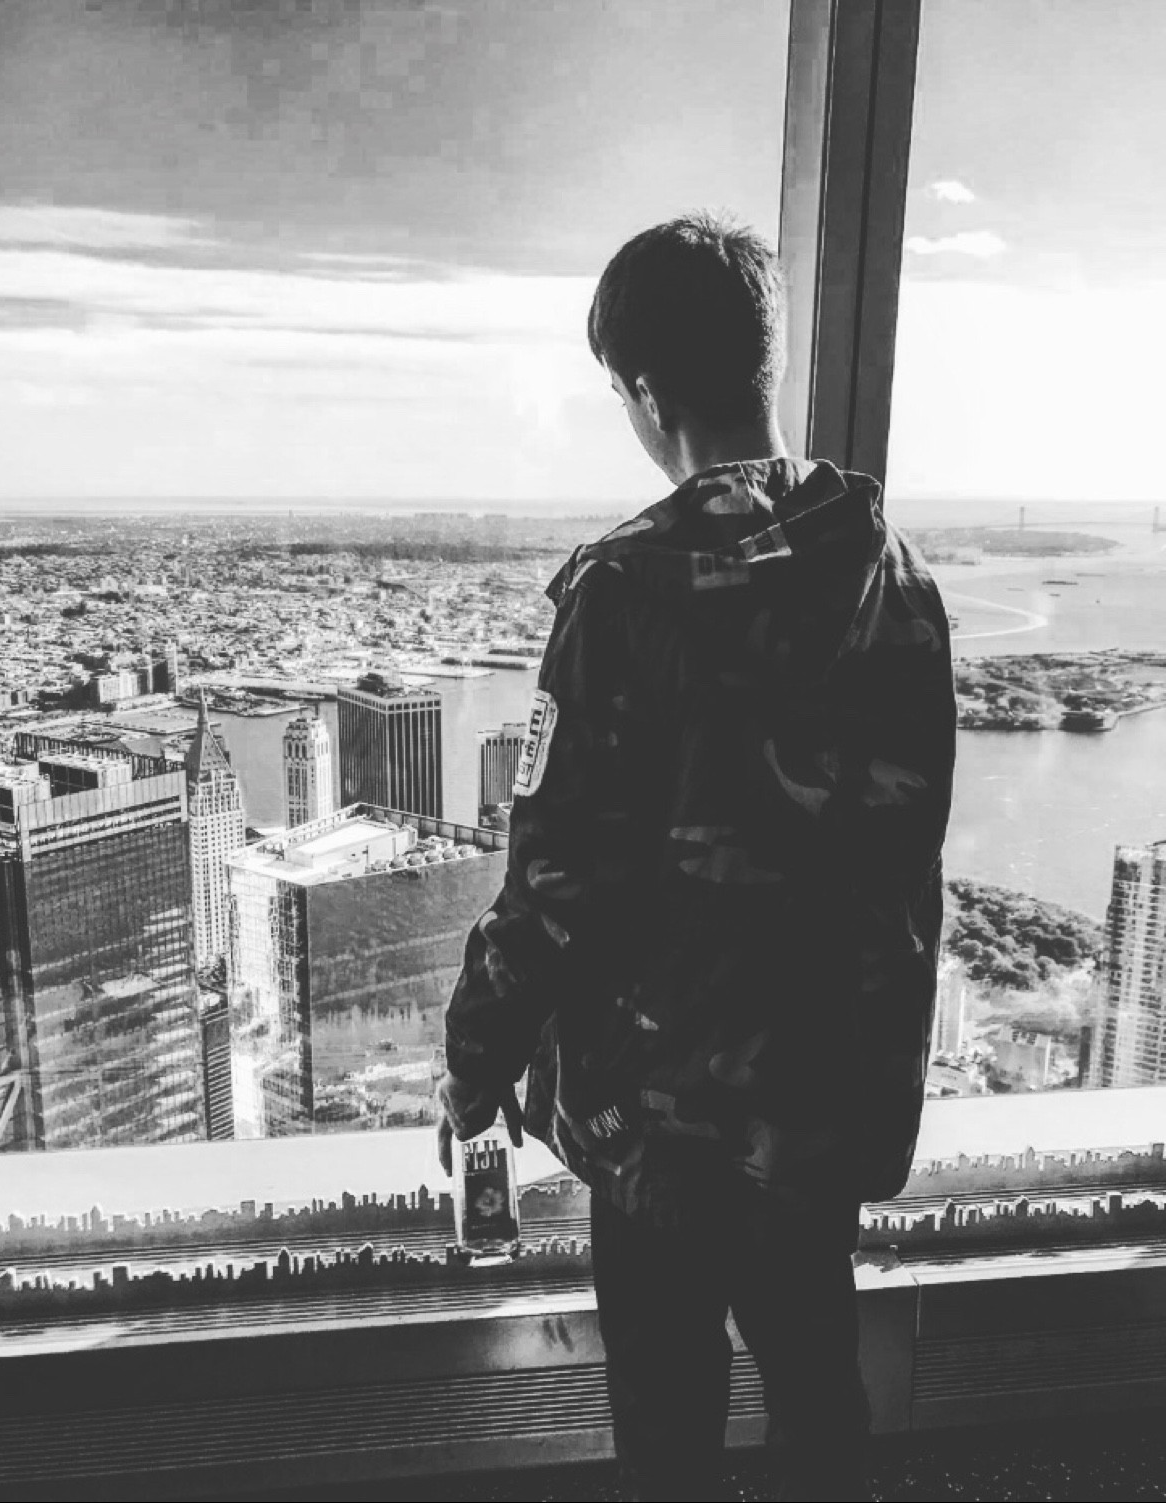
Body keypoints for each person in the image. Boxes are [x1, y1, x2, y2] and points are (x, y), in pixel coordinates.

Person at [437, 212, 957, 1502]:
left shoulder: (625, 591)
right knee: (818, 1395)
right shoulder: (896, 575)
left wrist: (476, 1059)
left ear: (646, 391)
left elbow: (555, 882)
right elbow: (908, 845)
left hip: (667, 1120)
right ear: (764, 362)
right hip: (828, 1089)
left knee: (669, 1424)